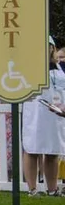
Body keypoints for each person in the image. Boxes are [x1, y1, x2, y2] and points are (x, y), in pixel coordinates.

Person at [21, 36, 65, 196]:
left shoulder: (59, 67)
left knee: (53, 151)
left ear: (53, 48)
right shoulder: (29, 67)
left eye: (49, 46)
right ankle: (32, 189)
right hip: (35, 112)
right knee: (32, 149)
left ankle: (52, 189)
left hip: (56, 114)